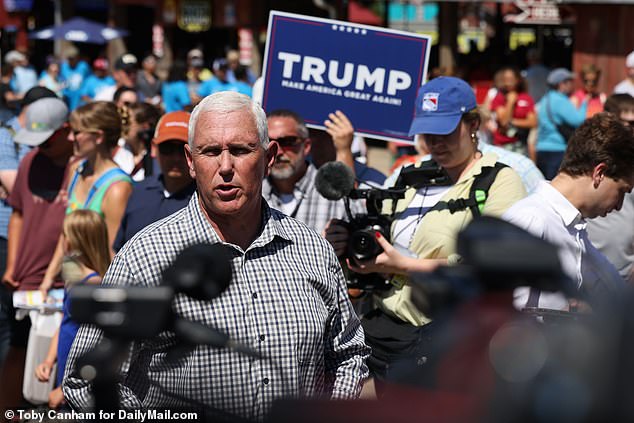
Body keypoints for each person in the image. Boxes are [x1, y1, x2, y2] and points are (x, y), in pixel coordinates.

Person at [62, 92, 369, 420]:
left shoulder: (311, 250)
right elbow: (84, 381)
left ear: (268, 157)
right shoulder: (145, 256)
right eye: (210, 152)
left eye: (240, 150)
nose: (225, 167)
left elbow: (349, 355)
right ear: (191, 161)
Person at [325, 77, 526, 388]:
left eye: (444, 131)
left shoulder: (498, 180)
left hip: (447, 340)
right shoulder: (409, 174)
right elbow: (380, 234)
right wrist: (349, 241)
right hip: (383, 337)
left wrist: (402, 266)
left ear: (472, 123)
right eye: (427, 132)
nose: (435, 142)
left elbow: (491, 269)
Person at [503, 112, 634, 311]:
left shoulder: (574, 227)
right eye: (622, 191)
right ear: (599, 173)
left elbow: (616, 292)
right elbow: (500, 316)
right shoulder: (531, 220)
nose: (618, 206)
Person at [0, 97, 74, 410]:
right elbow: (17, 214)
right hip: (26, 283)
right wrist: (12, 266)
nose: (39, 147)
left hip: (64, 282)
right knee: (17, 351)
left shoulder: (80, 168)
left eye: (46, 141)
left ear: (66, 130)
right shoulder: (31, 161)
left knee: (59, 363)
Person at [40, 101, 133, 294]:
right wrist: (47, 280)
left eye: (77, 132)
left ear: (98, 137)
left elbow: (111, 253)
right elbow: (67, 233)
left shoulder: (118, 187)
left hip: (95, 287)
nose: (70, 137)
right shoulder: (76, 169)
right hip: (71, 282)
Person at [34, 210, 110, 410]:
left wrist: (66, 388)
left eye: (65, 235)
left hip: (80, 379)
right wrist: (49, 361)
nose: (62, 241)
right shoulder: (72, 271)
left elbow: (96, 344)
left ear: (76, 241)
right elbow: (64, 322)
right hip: (64, 366)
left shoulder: (93, 285)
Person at [263, 109, 362, 234]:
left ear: (307, 146)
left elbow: (361, 232)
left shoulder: (333, 190)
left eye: (288, 142)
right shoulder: (251, 191)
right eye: (268, 142)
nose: (278, 152)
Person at [114, 111, 195, 251]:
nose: (175, 157)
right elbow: (117, 248)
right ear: (153, 148)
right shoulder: (137, 192)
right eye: (167, 148)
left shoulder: (205, 201)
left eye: (182, 150)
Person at [586, 94, 634, 282]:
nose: (633, 130)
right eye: (628, 124)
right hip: (587, 270)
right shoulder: (588, 156)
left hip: (626, 272)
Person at [535, 68, 588, 180]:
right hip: (557, 151)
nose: (572, 85)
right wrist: (585, 103)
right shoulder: (560, 100)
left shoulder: (545, 99)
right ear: (561, 84)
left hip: (542, 150)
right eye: (570, 81)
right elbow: (578, 120)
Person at [489, 66, 537, 156]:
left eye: (511, 79)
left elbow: (533, 122)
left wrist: (512, 121)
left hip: (521, 144)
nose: (508, 82)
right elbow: (503, 122)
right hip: (502, 145)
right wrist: (510, 103)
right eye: (506, 79)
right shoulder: (499, 97)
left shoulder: (526, 98)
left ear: (518, 80)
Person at [118, 102, 162, 181]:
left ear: (145, 126)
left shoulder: (157, 158)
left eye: (127, 121)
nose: (122, 125)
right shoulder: (116, 150)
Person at [60, 46, 91, 111]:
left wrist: (85, 93)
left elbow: (89, 79)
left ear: (77, 58)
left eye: (72, 58)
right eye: (69, 59)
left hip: (80, 99)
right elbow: (61, 80)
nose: (70, 61)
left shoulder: (83, 66)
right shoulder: (64, 67)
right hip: (68, 98)